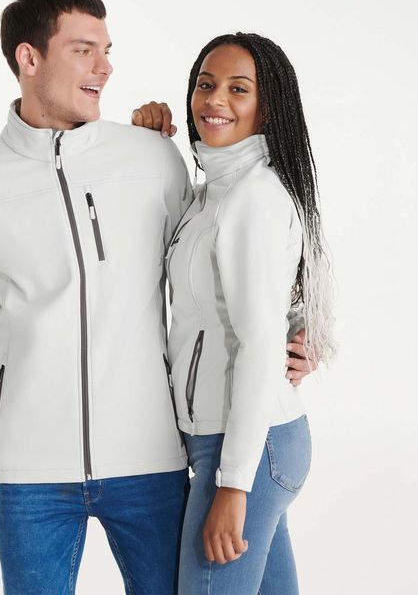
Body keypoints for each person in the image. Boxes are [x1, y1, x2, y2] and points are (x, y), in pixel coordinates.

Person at [0, 0, 315, 590]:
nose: (104, 67)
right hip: (30, 473)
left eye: (107, 51)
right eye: (84, 51)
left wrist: (297, 329)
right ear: (29, 58)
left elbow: (229, 251)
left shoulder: (152, 158)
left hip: (153, 456)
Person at [132, 33, 335, 594]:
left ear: (267, 108)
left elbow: (259, 343)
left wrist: (233, 485)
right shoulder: (212, 194)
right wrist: (147, 142)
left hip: (247, 445)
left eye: (238, 89)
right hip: (239, 441)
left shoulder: (252, 197)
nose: (215, 99)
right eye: (206, 84)